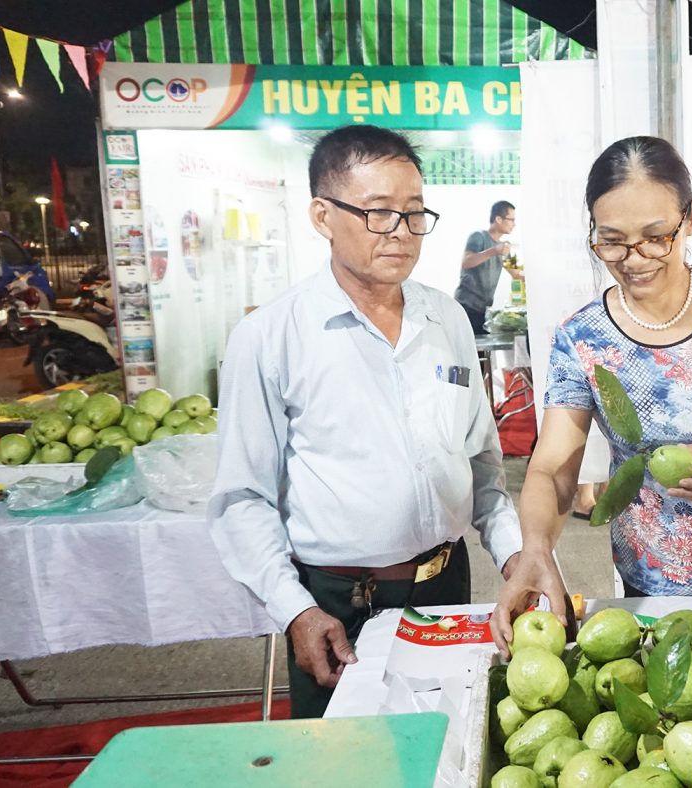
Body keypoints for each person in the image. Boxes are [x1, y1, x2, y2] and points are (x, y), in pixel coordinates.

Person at [207, 126, 524, 719]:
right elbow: (242, 498)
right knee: (344, 757)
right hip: (337, 605)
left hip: (444, 588)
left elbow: (483, 465)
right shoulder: (270, 337)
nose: (401, 232)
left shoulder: (447, 319)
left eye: (414, 213)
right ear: (323, 216)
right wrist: (296, 610)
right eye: (379, 213)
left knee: (450, 743)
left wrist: (516, 558)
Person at [489, 136, 692, 654]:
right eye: (612, 241)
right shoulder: (583, 338)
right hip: (652, 583)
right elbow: (552, 466)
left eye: (654, 237)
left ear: (689, 219)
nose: (634, 259)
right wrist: (536, 547)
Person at [455, 200, 522, 334]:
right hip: (465, 307)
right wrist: (494, 251)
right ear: (498, 219)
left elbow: (516, 273)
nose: (514, 224)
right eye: (511, 220)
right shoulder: (479, 236)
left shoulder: (503, 247)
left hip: (482, 310)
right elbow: (466, 262)